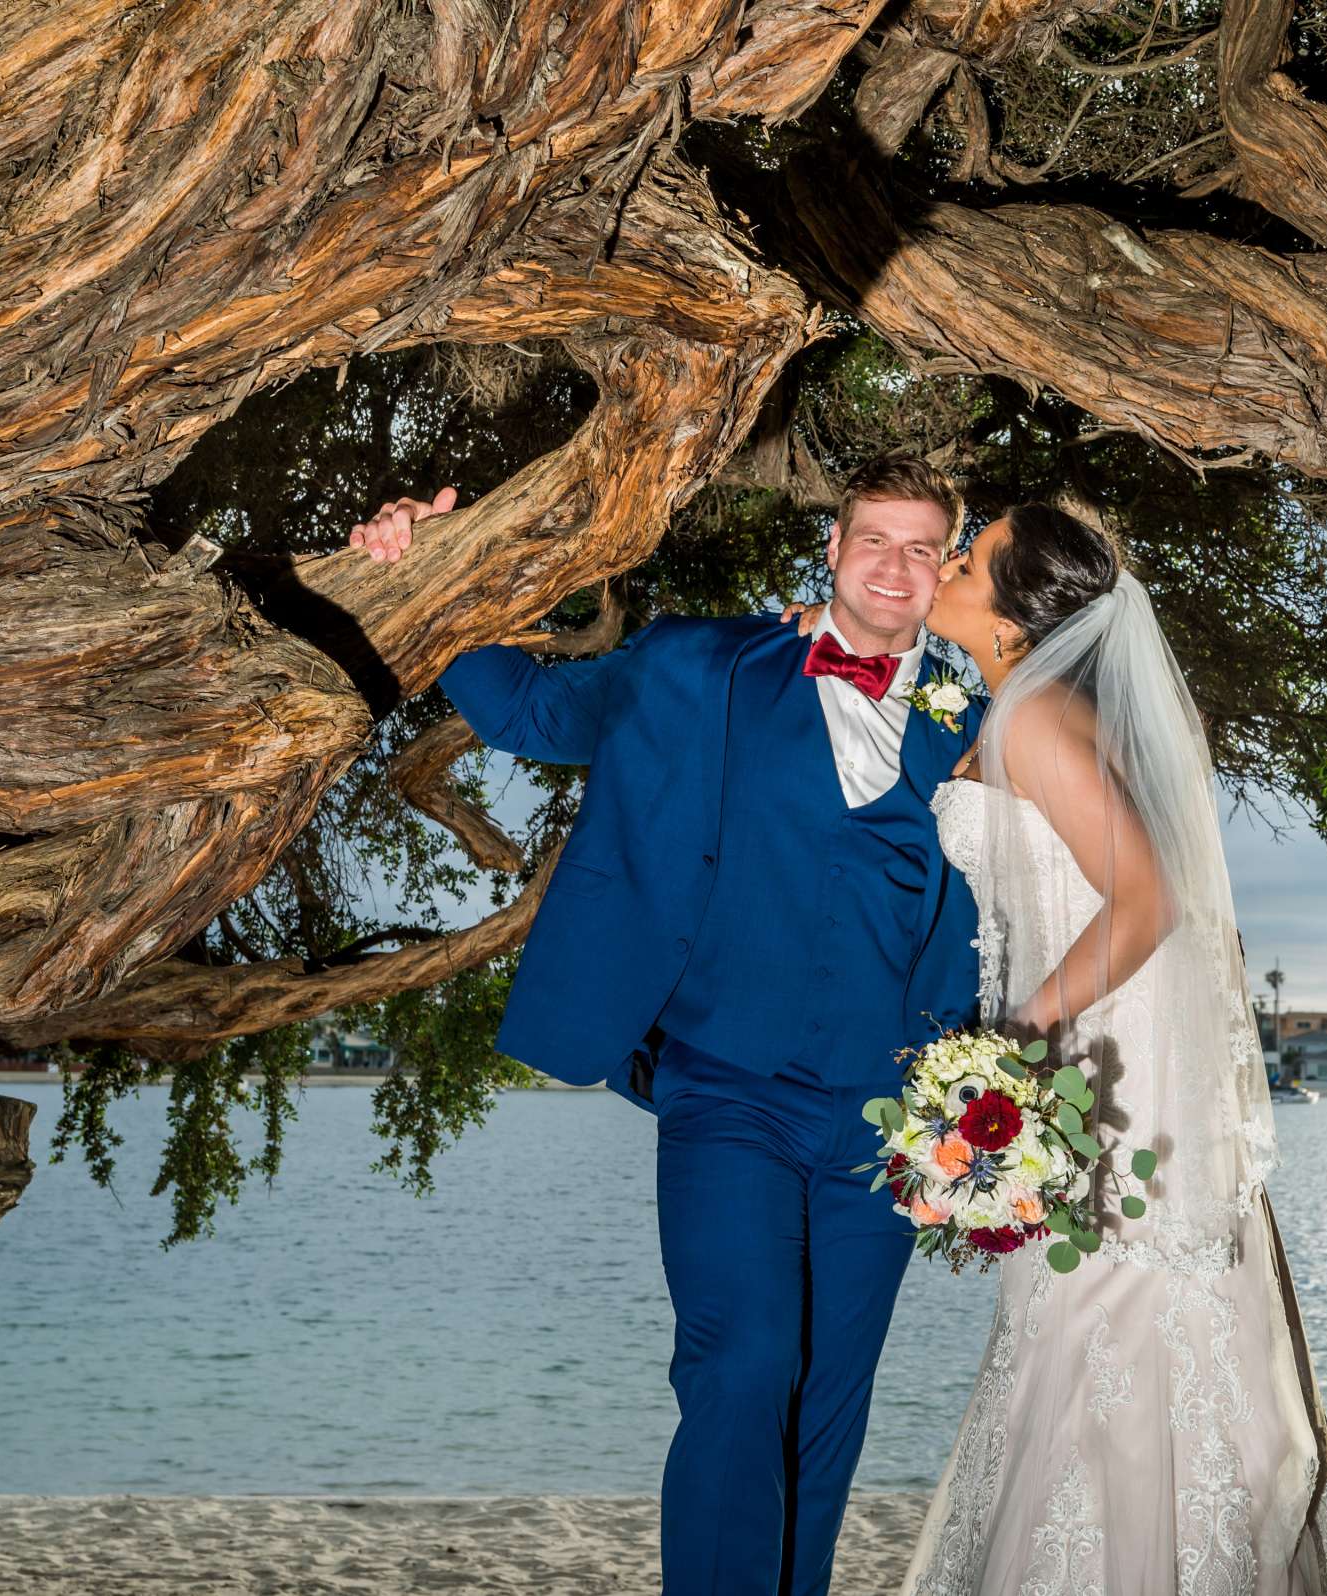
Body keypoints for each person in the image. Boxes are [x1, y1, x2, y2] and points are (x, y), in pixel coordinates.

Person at [349, 456, 986, 1596]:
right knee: (741, 1368)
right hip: (729, 1087)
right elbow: (532, 709)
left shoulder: (977, 711)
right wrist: (427, 573)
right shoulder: (699, 662)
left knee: (827, 1407)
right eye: (873, 541)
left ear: (945, 571)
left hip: (898, 1120)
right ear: (832, 552)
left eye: (921, 548)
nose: (894, 566)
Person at [789, 503, 1327, 1594]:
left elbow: (1146, 900)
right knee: (1077, 1344)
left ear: (1010, 613)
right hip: (1098, 1072)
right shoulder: (1021, 705)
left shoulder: (1037, 721)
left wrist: (1013, 1042)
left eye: (967, 556)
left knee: (1103, 1344)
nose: (947, 563)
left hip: (1096, 1068)